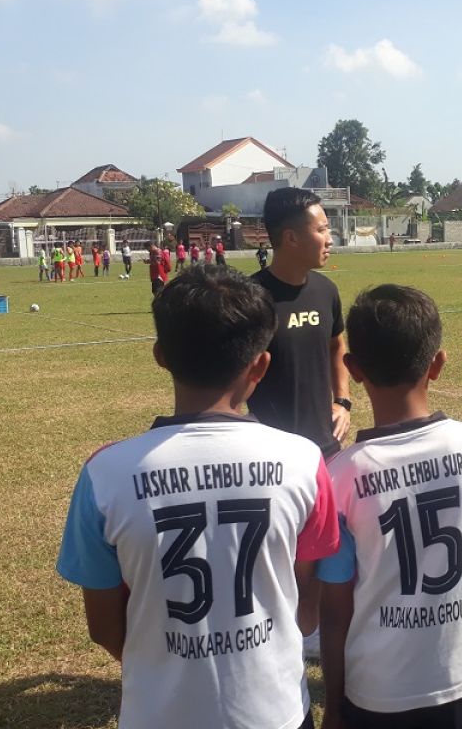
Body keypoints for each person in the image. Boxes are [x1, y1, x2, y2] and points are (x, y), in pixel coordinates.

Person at [55, 264, 339, 729]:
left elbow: (104, 628)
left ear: (160, 356)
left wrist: (163, 662)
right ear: (261, 364)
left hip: (158, 714)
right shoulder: (305, 461)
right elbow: (309, 604)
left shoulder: (105, 474)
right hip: (276, 711)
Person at [318, 285, 462, 729]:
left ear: (353, 369)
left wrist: (334, 705)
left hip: (377, 691)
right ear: (437, 364)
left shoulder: (337, 478)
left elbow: (334, 609)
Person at [249, 187, 352, 659]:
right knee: (276, 556)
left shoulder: (326, 290)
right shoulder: (252, 299)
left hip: (324, 451)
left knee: (318, 552)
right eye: (322, 228)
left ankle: (306, 634)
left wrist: (344, 401)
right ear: (289, 238)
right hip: (268, 456)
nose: (330, 236)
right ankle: (275, 633)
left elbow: (337, 348)